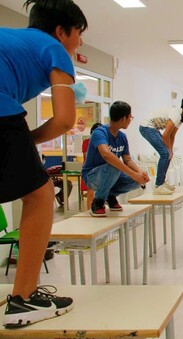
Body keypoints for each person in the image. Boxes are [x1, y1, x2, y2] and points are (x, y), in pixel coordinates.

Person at [0, 0, 87, 328]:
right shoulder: (54, 48)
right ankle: (23, 299)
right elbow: (65, 120)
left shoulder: (11, 39)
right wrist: (29, 140)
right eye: (78, 34)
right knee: (39, 194)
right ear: (61, 30)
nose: (79, 42)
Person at [82, 101, 150, 217]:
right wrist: (133, 173)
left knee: (137, 180)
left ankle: (109, 195)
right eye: (130, 117)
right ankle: (98, 202)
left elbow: (127, 159)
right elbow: (107, 155)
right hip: (92, 176)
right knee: (114, 166)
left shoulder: (122, 137)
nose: (130, 119)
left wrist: (139, 173)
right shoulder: (100, 132)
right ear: (124, 118)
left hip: (110, 175)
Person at [139, 95, 183, 194]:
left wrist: (171, 151)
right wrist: (168, 151)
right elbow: (165, 135)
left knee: (168, 155)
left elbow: (172, 135)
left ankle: (161, 183)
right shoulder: (177, 115)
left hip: (153, 129)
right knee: (165, 154)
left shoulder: (181, 118)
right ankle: (158, 185)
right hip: (147, 127)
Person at [81, 122, 102, 209]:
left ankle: (99, 208)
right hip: (90, 169)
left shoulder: (103, 142)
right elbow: (87, 157)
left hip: (100, 169)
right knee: (90, 192)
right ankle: (89, 210)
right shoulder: (87, 142)